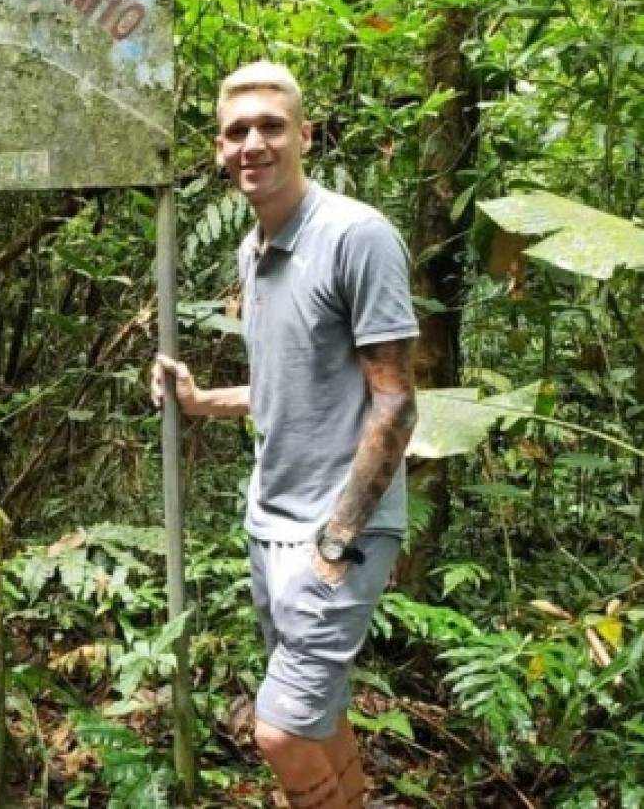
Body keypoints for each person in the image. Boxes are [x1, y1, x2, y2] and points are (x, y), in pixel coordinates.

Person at [151, 62, 418, 809]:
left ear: (303, 135)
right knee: (319, 712)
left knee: (279, 731)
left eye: (270, 126)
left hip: (334, 531)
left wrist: (336, 543)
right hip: (269, 521)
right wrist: (201, 400)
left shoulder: (354, 236)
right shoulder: (253, 250)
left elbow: (394, 404)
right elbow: (289, 390)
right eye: (236, 131)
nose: (252, 144)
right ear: (217, 148)